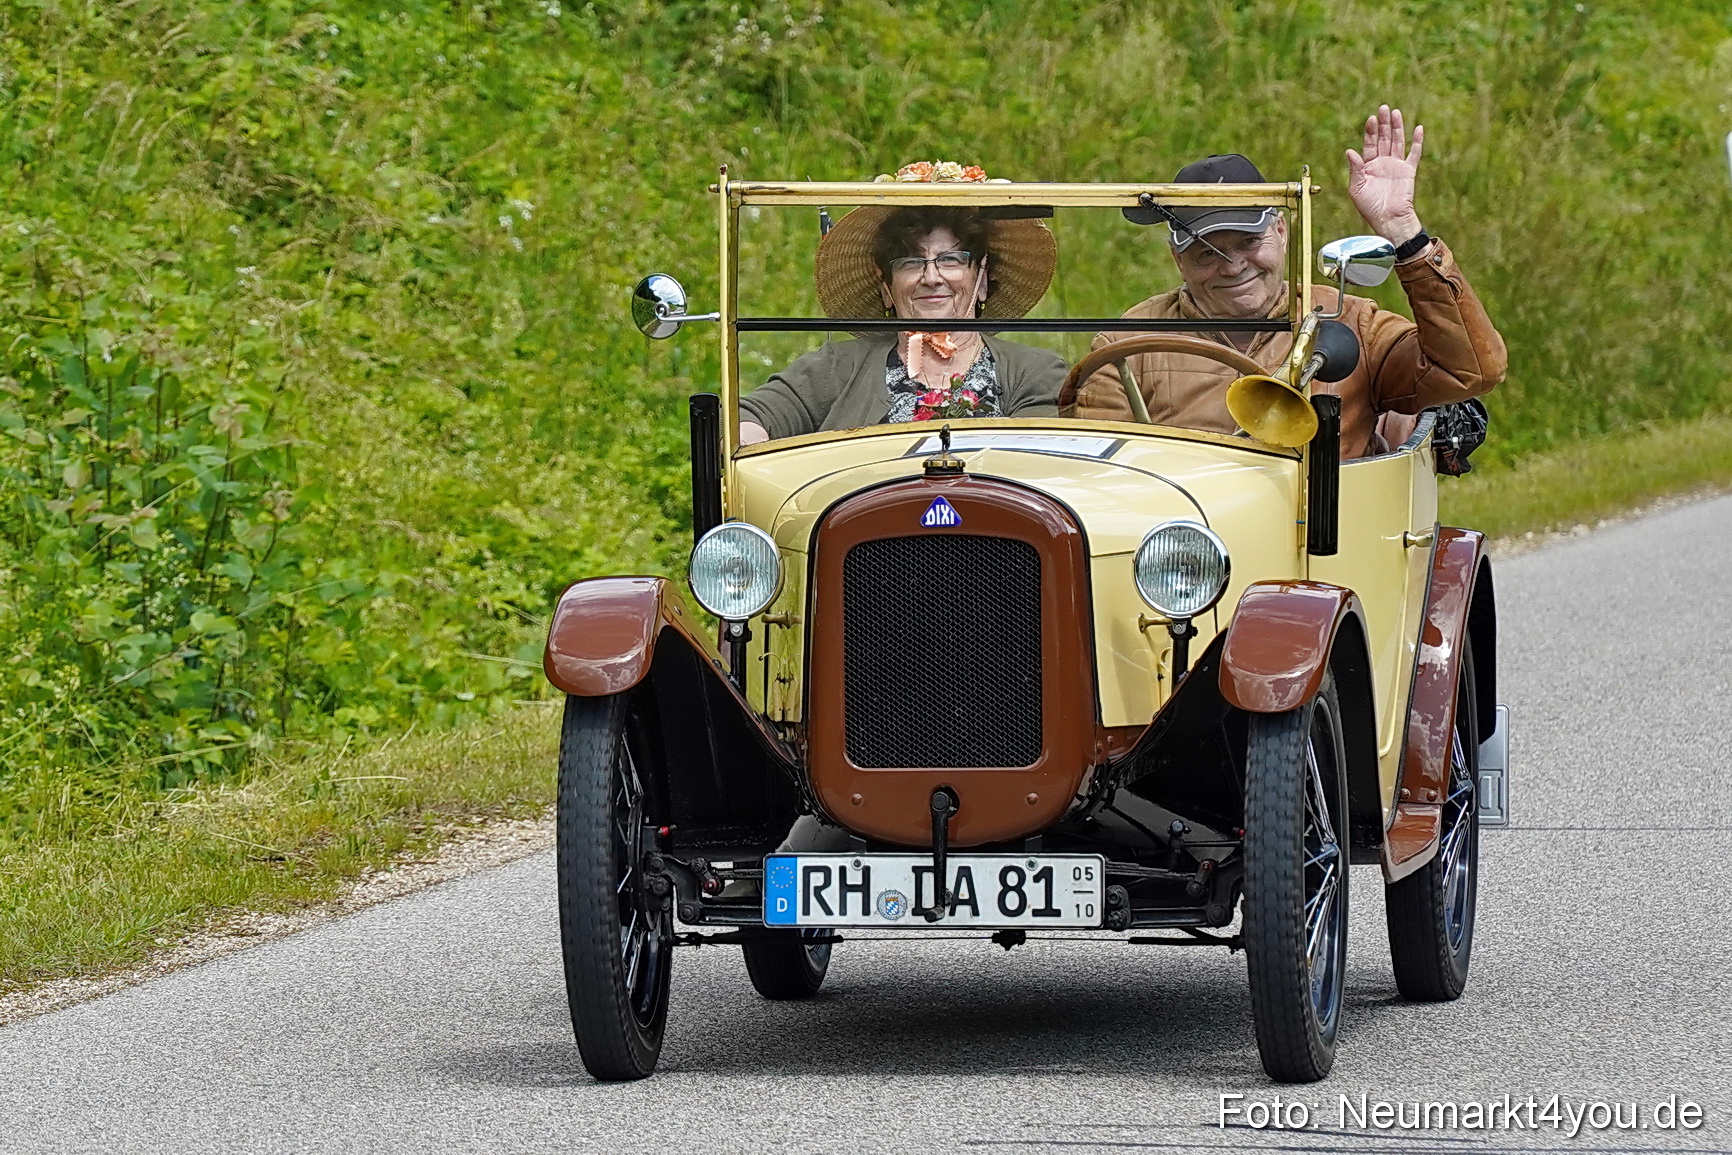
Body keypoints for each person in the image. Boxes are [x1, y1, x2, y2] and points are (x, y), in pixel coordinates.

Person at [1066, 106, 1507, 459]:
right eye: (1207, 253)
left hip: (1324, 538)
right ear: (1178, 260)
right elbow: (1103, 474)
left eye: (1248, 242)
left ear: (1280, 232)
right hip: (1184, 541)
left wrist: (1403, 231)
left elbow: (1472, 370)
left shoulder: (1349, 323)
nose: (1232, 266)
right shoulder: (1129, 344)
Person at [739, 162, 1067, 444]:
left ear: (981, 279)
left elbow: (1041, 457)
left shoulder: (1033, 371)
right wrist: (749, 436)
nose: (932, 277)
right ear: (886, 286)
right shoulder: (835, 368)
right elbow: (749, 419)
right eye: (910, 262)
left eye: (951, 259)